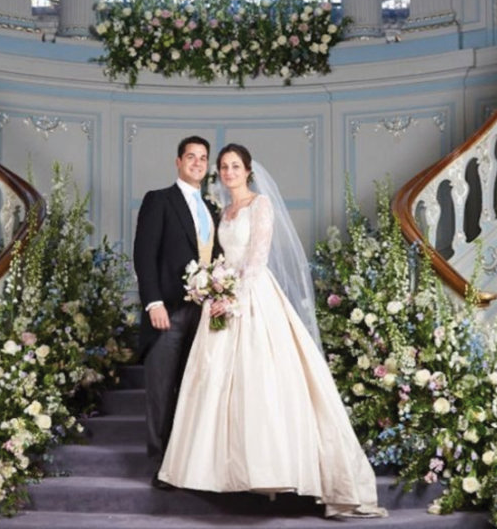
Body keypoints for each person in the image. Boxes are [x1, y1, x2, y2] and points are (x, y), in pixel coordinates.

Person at [157, 144, 386, 518]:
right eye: (224, 167)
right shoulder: (223, 211)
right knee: (213, 381)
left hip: (253, 296)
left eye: (235, 166)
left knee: (264, 381)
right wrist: (211, 288)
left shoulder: (260, 205)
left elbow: (257, 257)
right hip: (222, 296)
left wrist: (231, 298)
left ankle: (275, 467)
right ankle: (219, 470)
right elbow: (218, 258)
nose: (229, 172)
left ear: (248, 171)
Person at [132, 135, 222, 489]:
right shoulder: (159, 200)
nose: (197, 163)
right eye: (191, 157)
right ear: (178, 161)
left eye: (203, 159)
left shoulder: (212, 209)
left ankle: (186, 465)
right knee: (161, 388)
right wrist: (153, 302)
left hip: (204, 314)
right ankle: (161, 466)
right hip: (167, 310)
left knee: (192, 390)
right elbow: (144, 254)